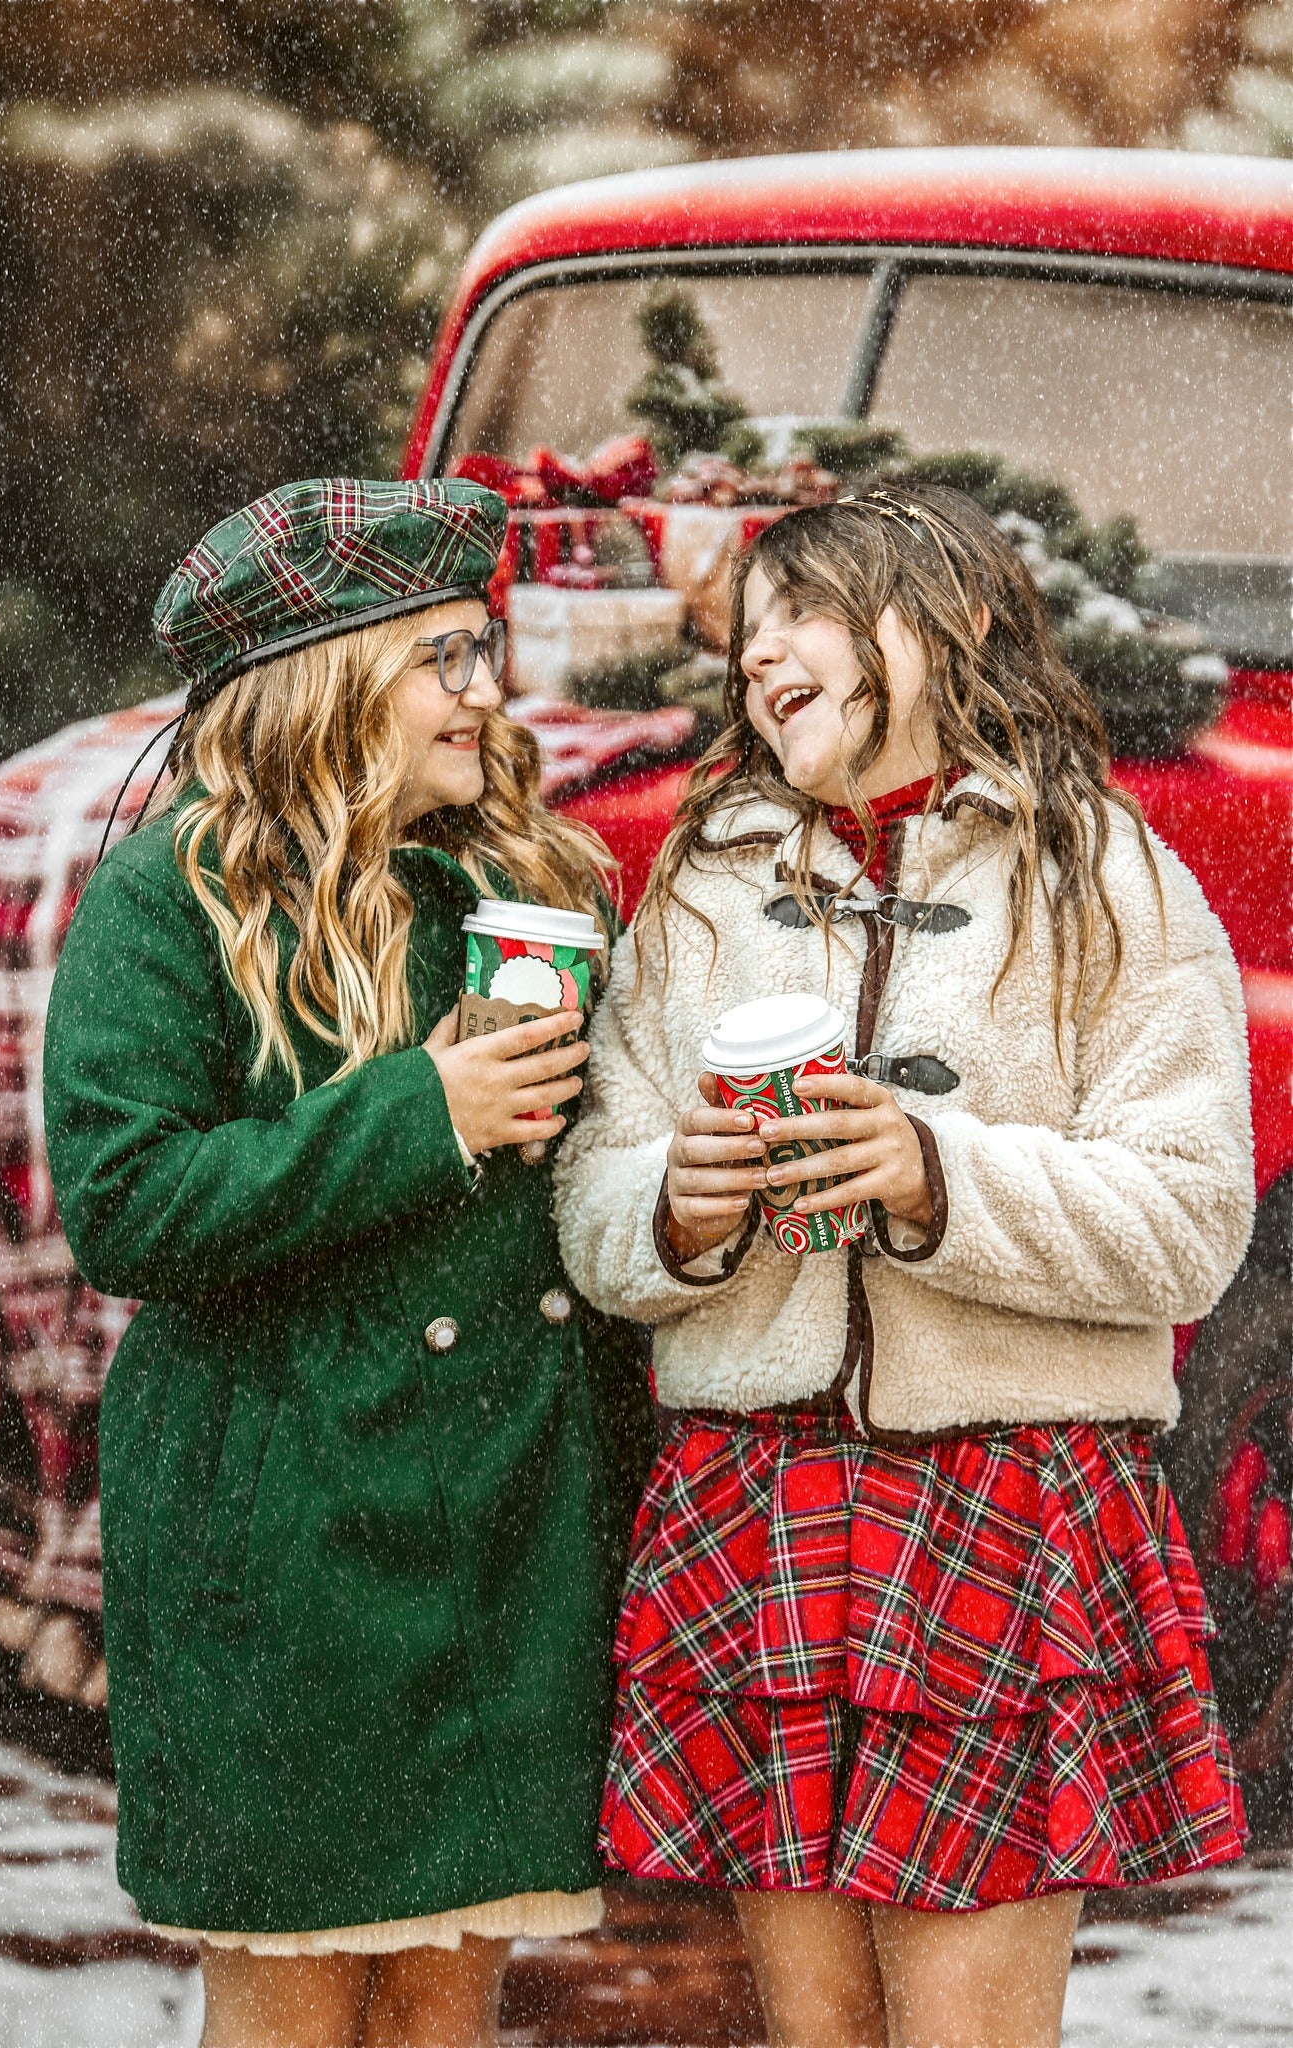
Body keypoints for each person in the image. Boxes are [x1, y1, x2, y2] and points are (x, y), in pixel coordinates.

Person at [555, 483, 1254, 2048]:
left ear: (943, 629)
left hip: (1008, 1506)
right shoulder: (700, 890)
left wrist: (939, 1178)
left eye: (800, 616)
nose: (758, 660)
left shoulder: (1109, 880)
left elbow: (1198, 1218)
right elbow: (597, 1213)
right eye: (744, 642)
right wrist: (682, 1204)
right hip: (759, 1503)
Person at [43, 478, 650, 2048]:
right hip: (288, 1534)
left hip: (509, 1519)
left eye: (483, 651)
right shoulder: (174, 893)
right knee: (295, 2009)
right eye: (445, 655)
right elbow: (125, 1202)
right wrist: (419, 1112)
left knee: (449, 2002)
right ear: (329, 680)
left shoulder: (526, 877)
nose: (484, 691)